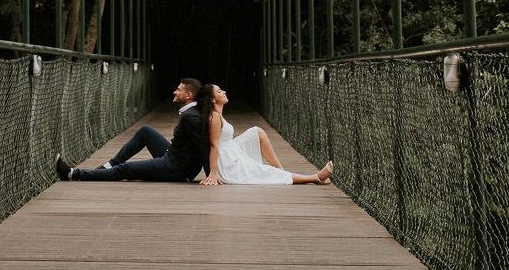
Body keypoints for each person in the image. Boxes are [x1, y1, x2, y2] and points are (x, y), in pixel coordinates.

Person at [55, 78, 208, 183]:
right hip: (174, 157)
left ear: (188, 95)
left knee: (126, 168)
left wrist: (211, 175)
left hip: (177, 169)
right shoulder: (191, 113)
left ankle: (73, 174)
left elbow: (204, 147)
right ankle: (109, 165)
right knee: (145, 131)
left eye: (178, 89)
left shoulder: (190, 117)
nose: (175, 92)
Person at [196, 83, 333, 186]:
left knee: (257, 132)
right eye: (219, 91)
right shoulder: (214, 116)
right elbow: (214, 145)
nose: (224, 92)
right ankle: (315, 177)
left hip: (232, 149)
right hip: (227, 161)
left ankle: (281, 170)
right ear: (212, 100)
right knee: (262, 172)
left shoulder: (218, 115)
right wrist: (213, 173)